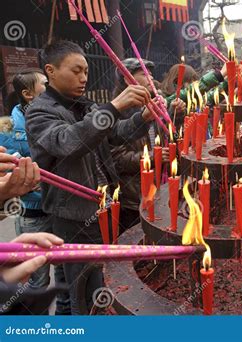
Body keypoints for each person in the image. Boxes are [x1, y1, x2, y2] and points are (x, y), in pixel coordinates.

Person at [25, 40, 156, 314]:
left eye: (85, 71)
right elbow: (68, 142)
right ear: (50, 70)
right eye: (76, 71)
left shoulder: (83, 105)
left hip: (105, 207)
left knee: (104, 281)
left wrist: (143, 117)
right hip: (75, 216)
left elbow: (117, 134)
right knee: (86, 290)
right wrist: (114, 107)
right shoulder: (40, 111)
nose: (84, 78)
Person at [0, 69, 71, 314]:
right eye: (45, 83)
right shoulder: (7, 129)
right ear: (28, 94)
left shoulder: (58, 116)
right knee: (35, 281)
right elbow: (8, 177)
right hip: (33, 214)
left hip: (58, 210)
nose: (52, 86)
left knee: (64, 279)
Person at [110, 58, 179, 231]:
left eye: (150, 73)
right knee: (139, 238)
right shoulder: (116, 112)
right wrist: (149, 158)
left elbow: (160, 135)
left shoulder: (152, 102)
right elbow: (116, 159)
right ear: (127, 79)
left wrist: (174, 115)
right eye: (144, 74)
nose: (150, 78)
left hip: (158, 187)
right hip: (134, 196)